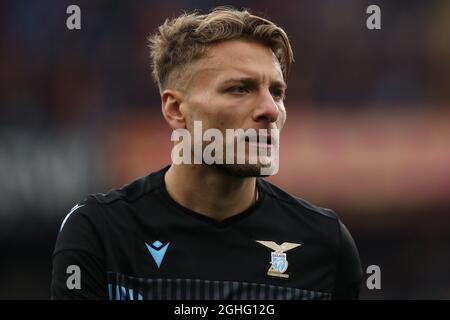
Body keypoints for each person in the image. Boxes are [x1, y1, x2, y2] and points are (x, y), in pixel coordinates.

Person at [50, 7, 362, 300]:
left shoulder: (325, 244)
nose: (270, 109)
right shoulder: (100, 234)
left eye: (277, 92)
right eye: (240, 88)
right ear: (175, 109)